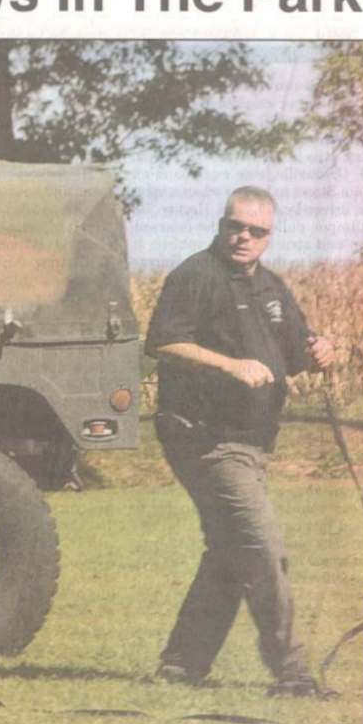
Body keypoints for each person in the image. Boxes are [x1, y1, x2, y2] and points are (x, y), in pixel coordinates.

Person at [145, 186, 335, 696]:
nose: (244, 237)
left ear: (269, 237)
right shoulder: (195, 276)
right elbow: (162, 342)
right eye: (236, 226)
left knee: (230, 550)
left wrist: (320, 352)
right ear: (221, 224)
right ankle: (292, 672)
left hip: (254, 443)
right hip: (204, 437)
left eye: (257, 231)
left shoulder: (271, 287)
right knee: (261, 546)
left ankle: (182, 665)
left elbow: (294, 353)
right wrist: (230, 365)